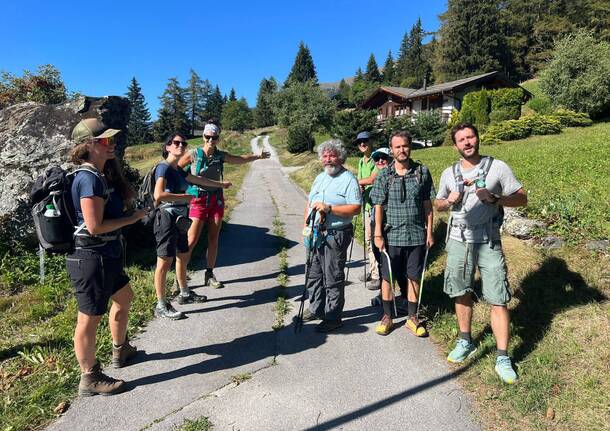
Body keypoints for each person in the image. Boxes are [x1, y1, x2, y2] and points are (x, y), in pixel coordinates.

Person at [434, 123, 527, 384]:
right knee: (461, 291)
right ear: (455, 145)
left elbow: (522, 198)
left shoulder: (498, 167)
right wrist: (449, 201)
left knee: (498, 297)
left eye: (470, 137)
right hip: (457, 240)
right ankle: (466, 340)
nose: (467, 142)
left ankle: (502, 356)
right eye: (461, 139)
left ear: (477, 138)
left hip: (488, 240)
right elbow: (438, 204)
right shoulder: (448, 173)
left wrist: (495, 198)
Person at [67, 119, 148, 396]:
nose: (110, 144)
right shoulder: (87, 178)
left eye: (111, 139)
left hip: (106, 255)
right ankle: (89, 377)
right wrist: (131, 218)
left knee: (125, 298)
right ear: (87, 146)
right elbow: (94, 226)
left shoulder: (100, 175)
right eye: (104, 140)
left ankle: (120, 348)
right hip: (91, 258)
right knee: (88, 319)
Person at [178, 121, 270, 290]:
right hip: (197, 199)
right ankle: (180, 278)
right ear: (203, 136)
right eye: (208, 136)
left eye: (214, 137)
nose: (211, 140)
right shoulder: (193, 154)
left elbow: (240, 159)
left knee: (214, 238)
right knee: (191, 240)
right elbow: (176, 169)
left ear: (218, 138)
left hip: (216, 200)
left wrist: (258, 156)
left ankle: (209, 273)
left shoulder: (220, 155)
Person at [153, 132, 231, 320]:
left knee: (181, 253)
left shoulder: (177, 170)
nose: (181, 146)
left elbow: (198, 180)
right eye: (176, 143)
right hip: (166, 218)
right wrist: (187, 198)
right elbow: (159, 195)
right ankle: (161, 304)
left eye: (183, 143)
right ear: (168, 147)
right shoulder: (163, 168)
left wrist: (221, 184)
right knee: (164, 262)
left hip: (179, 218)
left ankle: (184, 293)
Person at [370, 131, 435, 337]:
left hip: (416, 235)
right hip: (391, 236)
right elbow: (378, 206)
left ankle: (412, 318)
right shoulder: (384, 175)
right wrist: (378, 233)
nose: (402, 150)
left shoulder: (422, 172)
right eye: (397, 147)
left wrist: (430, 232)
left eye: (405, 146)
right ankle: (388, 317)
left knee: (414, 277)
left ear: (410, 147)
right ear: (392, 150)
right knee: (387, 278)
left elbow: (428, 206)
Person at [302, 139, 361, 332]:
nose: (328, 160)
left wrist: (330, 209)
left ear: (340, 157)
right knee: (313, 274)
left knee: (332, 277)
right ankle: (316, 308)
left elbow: (356, 208)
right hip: (316, 234)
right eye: (325, 156)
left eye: (332, 155)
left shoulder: (348, 179)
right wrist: (306, 226)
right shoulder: (320, 177)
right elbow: (309, 202)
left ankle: (333, 316)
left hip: (336, 234)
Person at [355, 131, 381, 290]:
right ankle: (373, 271)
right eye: (359, 142)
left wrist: (357, 182)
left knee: (374, 241)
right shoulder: (360, 161)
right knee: (368, 240)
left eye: (365, 141)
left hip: (376, 206)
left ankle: (377, 276)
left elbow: (372, 179)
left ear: (371, 141)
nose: (362, 144)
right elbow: (361, 182)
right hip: (366, 205)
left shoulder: (377, 159)